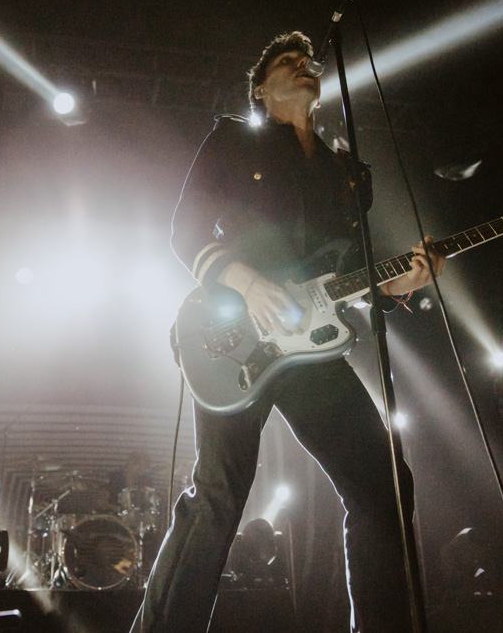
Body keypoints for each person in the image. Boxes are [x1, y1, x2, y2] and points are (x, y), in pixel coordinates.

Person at [130, 31, 446, 632]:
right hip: (232, 337)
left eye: (309, 63)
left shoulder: (349, 173)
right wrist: (249, 284)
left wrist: (401, 284)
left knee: (384, 483)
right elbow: (186, 230)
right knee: (219, 496)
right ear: (259, 88)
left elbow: (352, 267)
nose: (305, 68)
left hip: (312, 350)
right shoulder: (231, 139)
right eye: (287, 62)